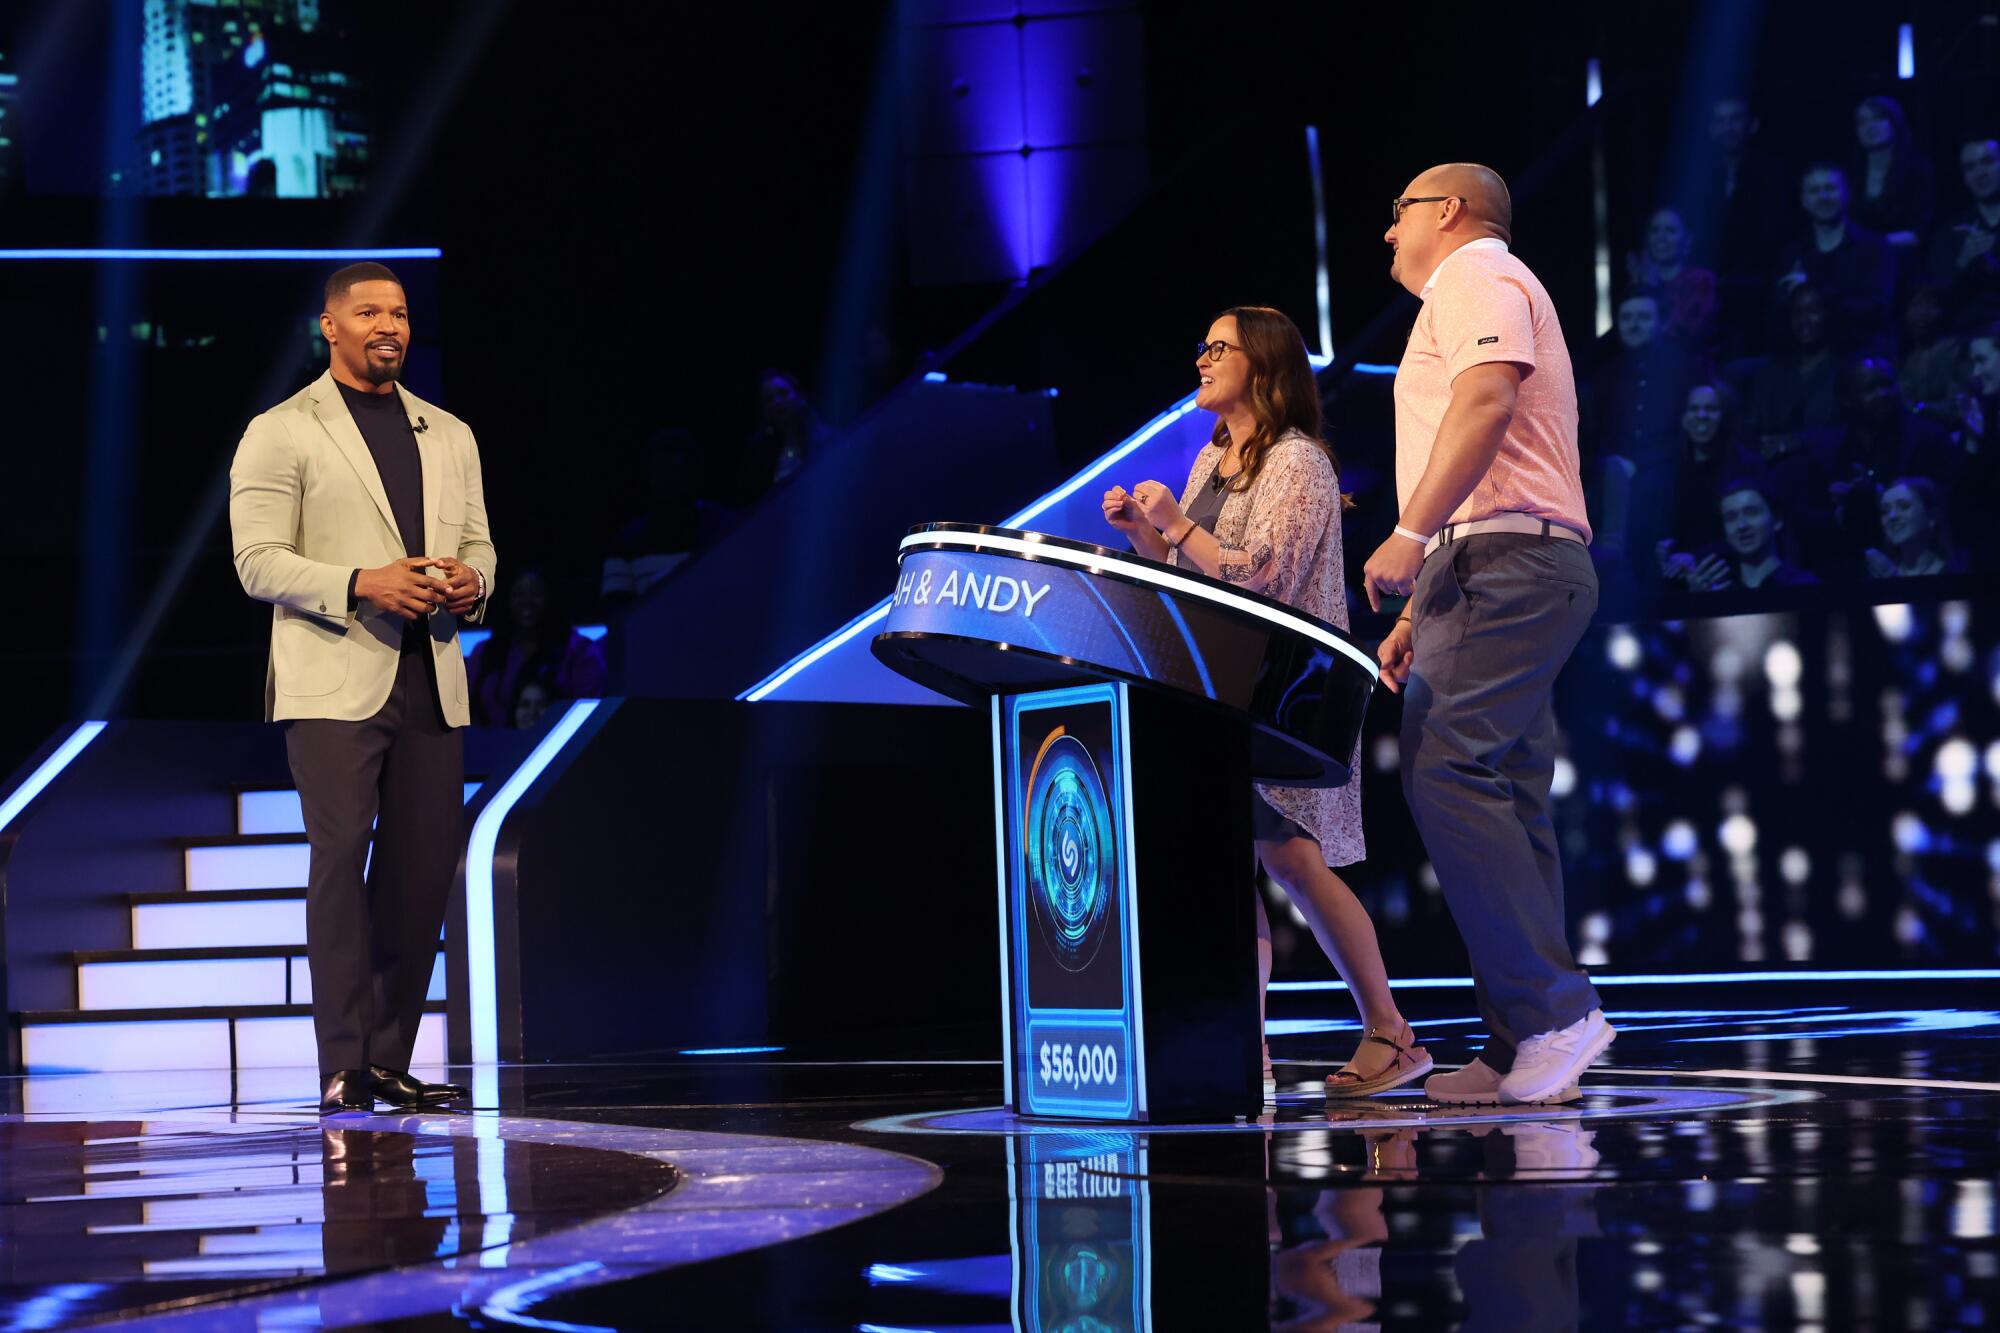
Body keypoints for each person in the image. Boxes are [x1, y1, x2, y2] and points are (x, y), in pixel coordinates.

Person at [1103, 305, 1428, 1100]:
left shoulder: (1298, 462)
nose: (1203, 359)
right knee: (1234, 864)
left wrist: (1174, 524)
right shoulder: (1215, 461)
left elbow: (1264, 576)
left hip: (1286, 690)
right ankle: (1247, 1051)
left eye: (1219, 347)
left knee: (1290, 855)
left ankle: (1391, 1031)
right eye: (1203, 345)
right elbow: (1197, 578)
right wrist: (1145, 536)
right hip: (1218, 685)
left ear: (1265, 365)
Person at [1362, 162, 1612, 1106]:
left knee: (1448, 769)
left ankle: (1553, 1012)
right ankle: (1522, 1040)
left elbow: (1486, 404)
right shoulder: (1467, 288)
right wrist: (1425, 604)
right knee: (1505, 786)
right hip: (1497, 561)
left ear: (1450, 212)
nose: (1390, 234)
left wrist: (1410, 535)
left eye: (1399, 211)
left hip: (1504, 558)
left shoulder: (1475, 272)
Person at [228, 263, 490, 1115]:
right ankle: (342, 1063)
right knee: (340, 863)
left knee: (419, 877)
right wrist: (359, 581)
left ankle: (387, 1058)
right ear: (329, 327)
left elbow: (482, 548)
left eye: (401, 312)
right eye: (369, 310)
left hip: (431, 678)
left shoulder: (447, 432)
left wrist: (468, 583)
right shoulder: (282, 429)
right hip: (333, 677)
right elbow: (256, 560)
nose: (389, 324)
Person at [1772, 164, 1896, 354]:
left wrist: (1814, 289)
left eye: (1830, 188)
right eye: (1814, 191)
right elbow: (1776, 314)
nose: (1823, 197)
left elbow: (1876, 311)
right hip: (1802, 354)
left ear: (1847, 194)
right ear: (1803, 200)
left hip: (1856, 351)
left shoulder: (1874, 248)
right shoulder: (1794, 253)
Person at [466, 569, 608, 728]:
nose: (527, 601)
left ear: (551, 599)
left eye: (536, 593)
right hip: (490, 747)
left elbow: (588, 712)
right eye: (518, 594)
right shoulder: (484, 653)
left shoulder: (580, 650)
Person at [1665, 478, 1818, 592]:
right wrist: (1698, 603)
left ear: (1777, 520)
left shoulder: (1804, 585)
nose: (1741, 525)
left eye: (1751, 513)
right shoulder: (1716, 590)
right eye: (1731, 518)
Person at [1925, 136, 2000, 334]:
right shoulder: (1952, 231)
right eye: (1970, 167)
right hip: (1964, 337)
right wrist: (1963, 264)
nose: (1980, 173)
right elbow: (1935, 297)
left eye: (1988, 162)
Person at [1625, 207, 1719, 352]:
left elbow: (1685, 333)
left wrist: (1651, 289)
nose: (1661, 237)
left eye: (1670, 230)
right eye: (1655, 230)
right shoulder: (1639, 281)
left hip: (1687, 362)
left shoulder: (1701, 281)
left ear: (1687, 240)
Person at [1849, 95, 1935, 247]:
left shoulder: (1917, 170)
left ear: (1895, 122)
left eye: (1878, 118)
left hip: (1905, 257)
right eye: (1862, 121)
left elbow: (1921, 230)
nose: (1870, 126)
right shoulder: (1850, 174)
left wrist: (1874, 244)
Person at [1865, 476, 1959, 577]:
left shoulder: (1953, 575)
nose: (1892, 516)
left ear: (1931, 515)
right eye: (1885, 511)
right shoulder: (1879, 573)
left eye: (1904, 506)